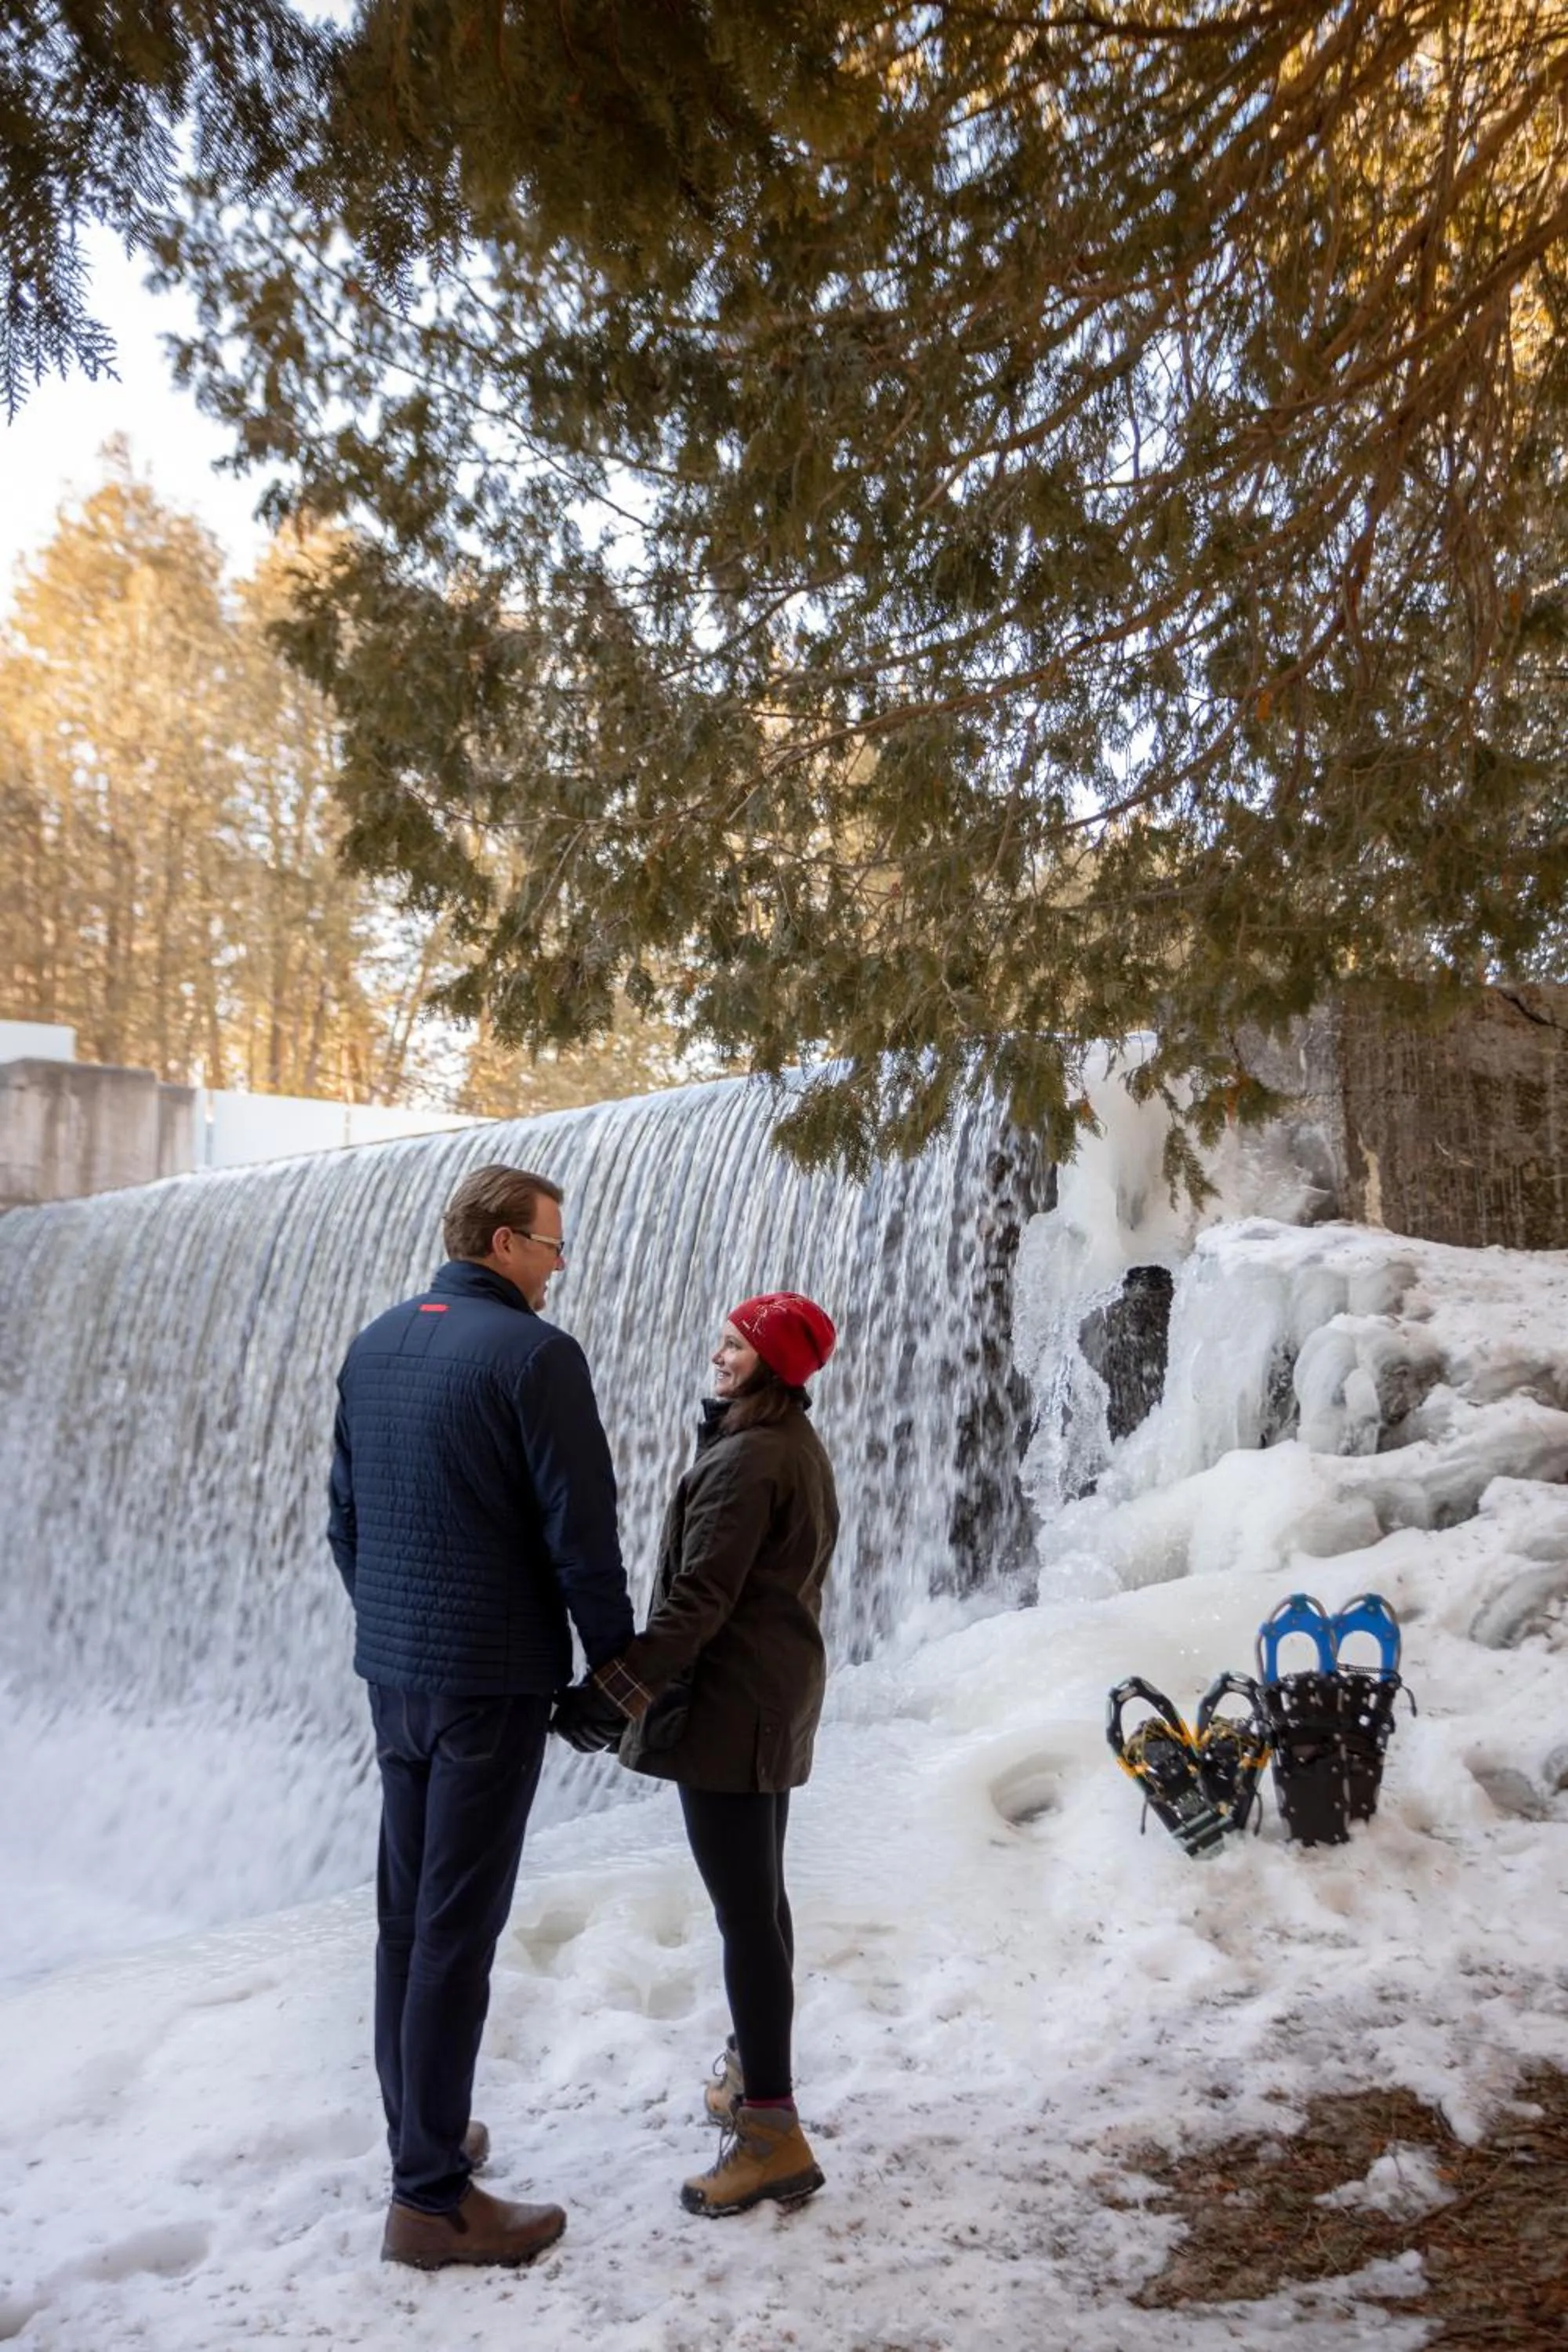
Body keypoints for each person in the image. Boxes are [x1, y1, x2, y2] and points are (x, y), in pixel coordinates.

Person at [328, 1163, 633, 2269]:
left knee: (407, 1921)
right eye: (553, 1246)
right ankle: (430, 2202)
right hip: (491, 1683)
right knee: (457, 1932)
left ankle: (424, 2130)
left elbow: (345, 1522)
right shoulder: (536, 1356)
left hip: (397, 1677)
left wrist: (399, 1634)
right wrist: (617, 1670)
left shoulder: (376, 1341)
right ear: (504, 1245)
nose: (559, 1267)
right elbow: (581, 1534)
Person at [555, 1289, 839, 2218]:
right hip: (769, 1700)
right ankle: (757, 2076)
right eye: (719, 1338)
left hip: (730, 1714)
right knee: (760, 1904)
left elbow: (696, 1607)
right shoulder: (782, 1442)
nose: (719, 1354)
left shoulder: (750, 1458)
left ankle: (770, 2131)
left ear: (774, 1364)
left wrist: (610, 1697)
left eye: (736, 1345)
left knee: (746, 1919)